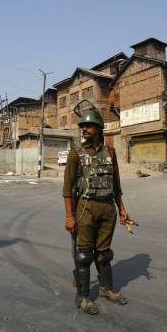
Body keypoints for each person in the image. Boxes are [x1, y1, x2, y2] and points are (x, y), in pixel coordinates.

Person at [62, 108, 130, 315]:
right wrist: (69, 216)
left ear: (99, 128)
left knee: (104, 253)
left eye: (88, 126)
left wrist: (123, 210)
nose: (84, 129)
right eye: (82, 126)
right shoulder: (76, 153)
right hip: (86, 208)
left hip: (108, 208)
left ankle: (106, 289)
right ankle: (83, 297)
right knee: (84, 255)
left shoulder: (110, 152)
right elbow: (67, 188)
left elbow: (116, 183)